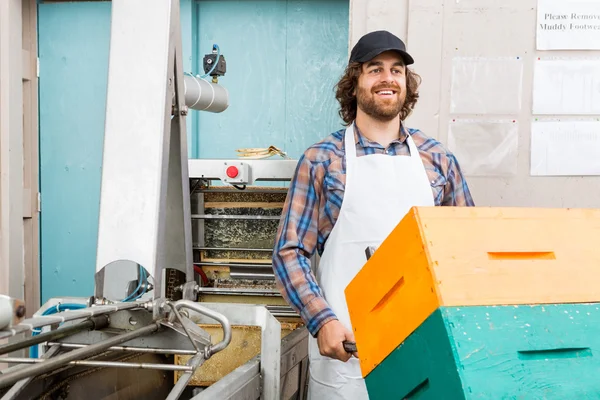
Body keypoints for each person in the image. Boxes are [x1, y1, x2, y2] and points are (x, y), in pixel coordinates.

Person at [272, 30, 474, 399]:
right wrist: (322, 321)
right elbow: (289, 252)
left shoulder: (438, 159)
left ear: (405, 84)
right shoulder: (321, 159)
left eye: (397, 70)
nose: (388, 78)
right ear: (355, 83)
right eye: (375, 69)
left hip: (425, 346)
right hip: (348, 348)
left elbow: (465, 251)